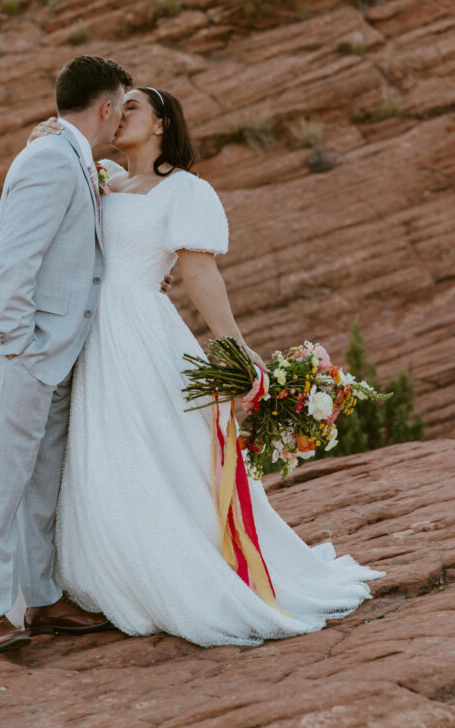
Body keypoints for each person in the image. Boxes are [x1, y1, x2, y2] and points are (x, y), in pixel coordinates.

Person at [34, 86, 383, 647]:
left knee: (154, 447)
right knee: (101, 450)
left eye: (133, 109)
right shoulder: (101, 178)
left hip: (140, 332)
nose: (119, 116)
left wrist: (234, 347)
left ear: (161, 124)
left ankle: (182, 570)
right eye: (116, 107)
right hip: (91, 333)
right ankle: (110, 568)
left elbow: (199, 274)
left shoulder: (185, 191)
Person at [0, 55, 134, 653]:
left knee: (42, 481)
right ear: (105, 107)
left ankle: (42, 600)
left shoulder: (74, 157)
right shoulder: (48, 160)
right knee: (3, 481)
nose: (120, 121)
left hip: (55, 352)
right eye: (120, 108)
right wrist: (20, 349)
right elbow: (13, 263)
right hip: (23, 354)